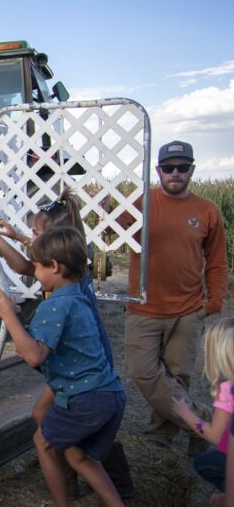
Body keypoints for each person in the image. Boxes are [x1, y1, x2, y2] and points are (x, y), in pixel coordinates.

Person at [0, 189, 133, 499]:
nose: (31, 247)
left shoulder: (59, 301)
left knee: (55, 436)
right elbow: (27, 265)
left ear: (55, 254)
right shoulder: (69, 275)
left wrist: (10, 316)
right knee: (46, 420)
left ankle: (98, 483)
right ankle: (67, 475)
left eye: (34, 236)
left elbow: (33, 355)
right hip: (80, 365)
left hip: (81, 369)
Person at [106, 140, 229, 449]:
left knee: (177, 376)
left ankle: (160, 440)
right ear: (158, 170)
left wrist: (213, 302)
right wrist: (107, 210)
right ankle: (201, 423)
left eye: (182, 167)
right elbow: (110, 231)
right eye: (168, 168)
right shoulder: (139, 203)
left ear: (192, 170)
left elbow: (216, 262)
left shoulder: (207, 210)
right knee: (143, 372)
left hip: (187, 311)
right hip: (143, 308)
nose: (175, 173)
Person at [173, 318, 234, 491]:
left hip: (229, 456)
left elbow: (215, 435)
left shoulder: (227, 389)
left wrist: (186, 413)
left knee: (203, 463)